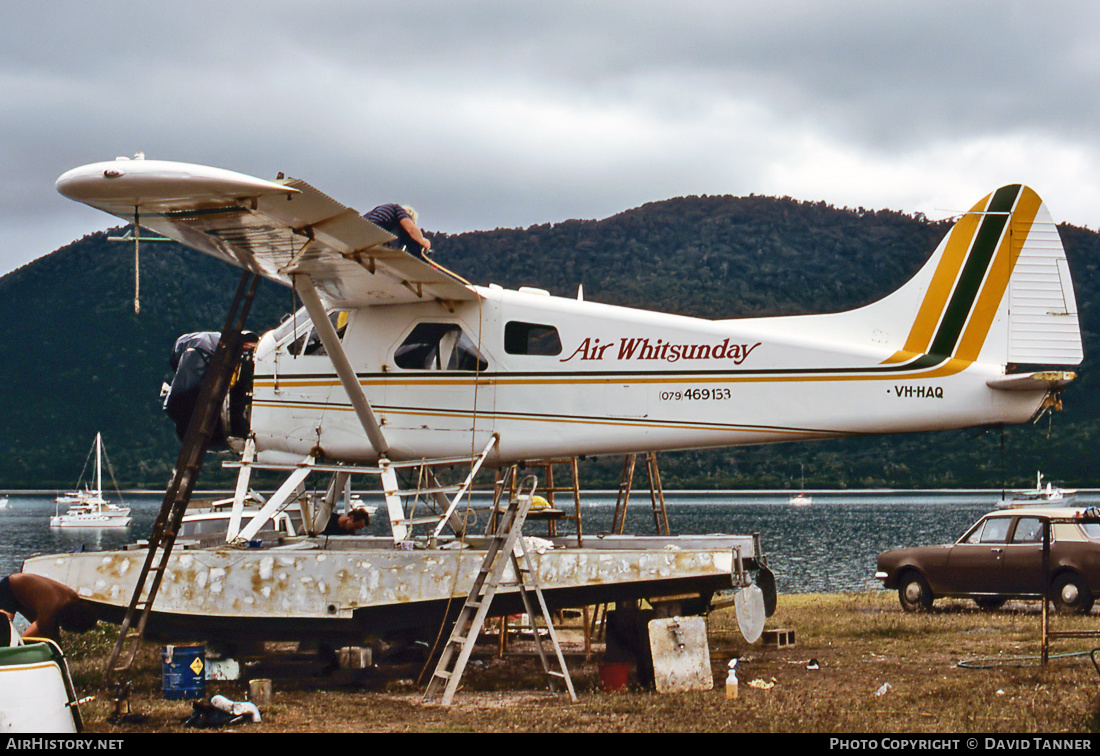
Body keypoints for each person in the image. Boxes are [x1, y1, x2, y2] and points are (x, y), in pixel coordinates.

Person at [0, 573, 98, 644]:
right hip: (9, 587)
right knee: (4, 632)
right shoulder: (51, 610)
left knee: (48, 633)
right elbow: (24, 638)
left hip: (26, 593)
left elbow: (54, 636)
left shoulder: (73, 599)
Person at [364, 204, 432, 254]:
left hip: (362, 230)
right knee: (408, 236)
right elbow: (411, 229)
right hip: (376, 230)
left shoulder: (377, 211)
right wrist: (422, 241)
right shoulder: (399, 210)